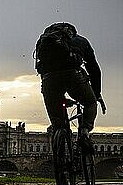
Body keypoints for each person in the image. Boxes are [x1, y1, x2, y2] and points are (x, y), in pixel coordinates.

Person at [35, 22, 106, 151]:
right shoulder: (81, 41)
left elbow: (41, 68)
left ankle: (58, 137)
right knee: (90, 103)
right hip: (74, 77)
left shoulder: (44, 42)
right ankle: (84, 131)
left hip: (49, 80)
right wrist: (97, 94)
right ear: (72, 32)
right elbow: (94, 69)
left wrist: (53, 95)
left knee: (57, 122)